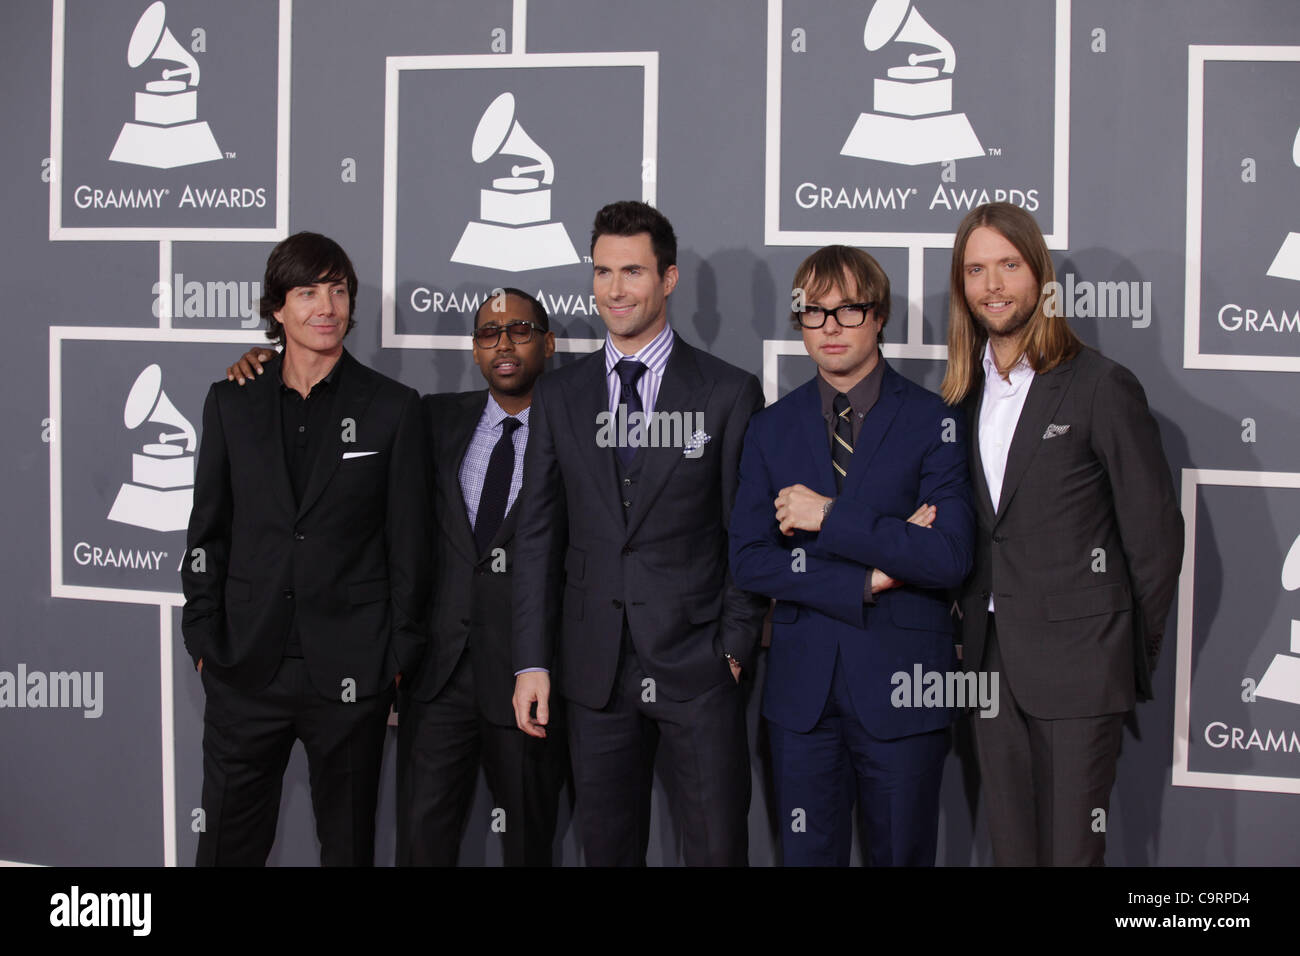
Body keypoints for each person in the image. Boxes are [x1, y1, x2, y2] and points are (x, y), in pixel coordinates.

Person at [228, 290, 570, 866]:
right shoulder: (429, 416)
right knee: (419, 847)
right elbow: (326, 410)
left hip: (528, 681)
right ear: (474, 349)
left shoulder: (579, 429)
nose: (503, 343)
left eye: (520, 329)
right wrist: (260, 364)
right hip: (435, 681)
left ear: (549, 341)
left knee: (530, 848)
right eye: (488, 333)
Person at [510, 201, 767, 866]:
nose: (614, 290)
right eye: (602, 272)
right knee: (606, 851)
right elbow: (537, 537)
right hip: (592, 668)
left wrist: (734, 645)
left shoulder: (727, 393)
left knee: (715, 851)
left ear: (669, 279)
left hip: (698, 665)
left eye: (632, 271)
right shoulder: (559, 397)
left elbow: (747, 530)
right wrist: (533, 660)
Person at [942, 202, 1183, 866]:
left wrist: (1122, 653)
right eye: (976, 269)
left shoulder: (1101, 386)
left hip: (1082, 666)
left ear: (1040, 275)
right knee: (1013, 852)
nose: (992, 285)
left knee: (1073, 854)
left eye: (1009, 266)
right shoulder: (959, 399)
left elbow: (1156, 540)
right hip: (989, 667)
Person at [182, 232, 432, 866]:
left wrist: (393, 658)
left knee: (347, 850)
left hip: (350, 676)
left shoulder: (393, 409)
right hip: (245, 667)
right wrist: (205, 638)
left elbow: (410, 545)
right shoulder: (231, 401)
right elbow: (207, 532)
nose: (328, 306)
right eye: (308, 291)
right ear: (277, 308)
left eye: (339, 290)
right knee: (224, 850)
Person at [729, 245, 973, 865]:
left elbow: (946, 555)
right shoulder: (771, 427)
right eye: (814, 312)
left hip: (904, 688)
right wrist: (872, 574)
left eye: (848, 310)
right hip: (800, 698)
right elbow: (752, 560)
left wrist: (829, 517)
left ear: (880, 315)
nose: (830, 327)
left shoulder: (933, 421)